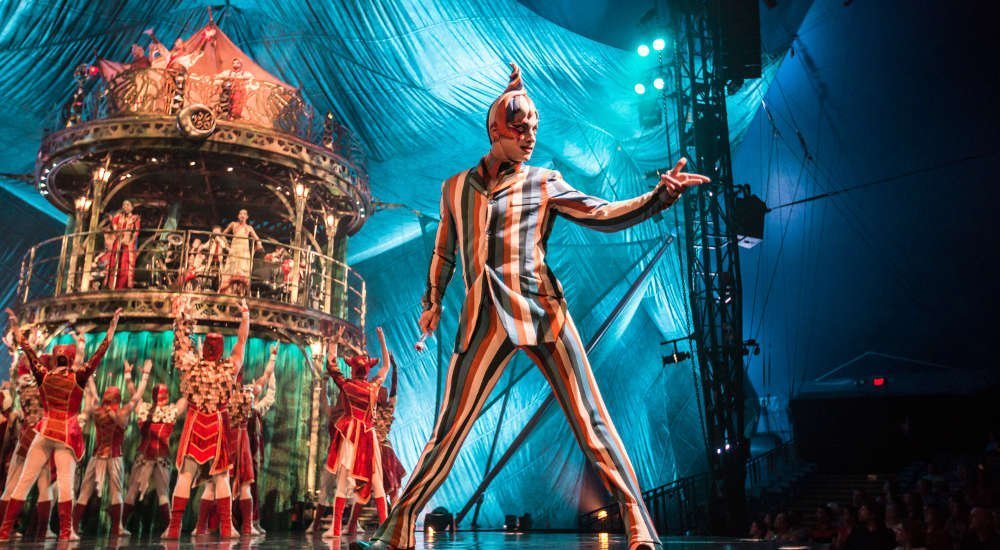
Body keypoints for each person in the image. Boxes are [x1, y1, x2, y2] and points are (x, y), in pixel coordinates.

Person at [356, 63, 708, 550]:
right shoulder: (455, 187)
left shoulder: (544, 181)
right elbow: (444, 251)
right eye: (521, 127)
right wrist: (432, 301)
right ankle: (398, 528)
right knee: (447, 430)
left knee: (591, 419)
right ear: (496, 130)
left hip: (543, 312)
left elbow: (601, 213)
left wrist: (658, 197)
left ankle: (639, 527)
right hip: (483, 318)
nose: (530, 136)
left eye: (534, 128)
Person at [0, 308, 122, 541]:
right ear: (71, 357)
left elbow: (27, 347)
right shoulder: (78, 376)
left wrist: (15, 324)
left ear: (55, 357)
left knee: (24, 482)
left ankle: (4, 530)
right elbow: (99, 353)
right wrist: (112, 326)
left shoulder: (43, 374)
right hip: (65, 435)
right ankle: (66, 532)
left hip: (44, 432)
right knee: (65, 484)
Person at [161, 298, 249, 539]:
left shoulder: (192, 366)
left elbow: (181, 341)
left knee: (185, 475)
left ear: (204, 349)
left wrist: (182, 314)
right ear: (221, 349)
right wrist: (245, 316)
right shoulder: (229, 368)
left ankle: (174, 527)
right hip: (217, 424)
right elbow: (241, 342)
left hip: (195, 422)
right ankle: (226, 527)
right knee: (221, 476)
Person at [193, 344, 276, 536]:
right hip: (237, 442)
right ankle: (242, 526)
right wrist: (272, 357)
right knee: (241, 484)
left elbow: (202, 377)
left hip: (222, 440)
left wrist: (200, 352)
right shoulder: (247, 393)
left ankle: (203, 527)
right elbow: (265, 376)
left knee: (212, 484)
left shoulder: (218, 391)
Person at [322, 326, 392, 544]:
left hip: (352, 434)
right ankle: (385, 529)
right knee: (377, 482)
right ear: (367, 370)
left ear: (353, 369)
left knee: (343, 481)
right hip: (368, 435)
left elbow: (331, 365)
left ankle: (336, 529)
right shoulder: (373, 387)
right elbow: (386, 366)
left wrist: (334, 342)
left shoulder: (348, 385)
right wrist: (382, 339)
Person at [73, 360, 151, 537]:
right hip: (112, 456)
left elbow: (92, 391)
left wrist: (89, 373)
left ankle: (75, 527)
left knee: (87, 491)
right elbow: (137, 396)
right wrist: (144, 376)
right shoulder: (121, 412)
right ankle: (115, 528)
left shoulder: (98, 409)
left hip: (99, 456)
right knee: (114, 491)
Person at [122, 380, 187, 535]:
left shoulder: (144, 409)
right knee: (161, 493)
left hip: (148, 457)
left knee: (135, 491)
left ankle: (119, 525)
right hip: (156, 457)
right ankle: (170, 529)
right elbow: (184, 399)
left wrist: (129, 377)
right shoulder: (169, 411)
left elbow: (134, 394)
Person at [219, 209, 263, 296]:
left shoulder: (249, 228)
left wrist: (258, 245)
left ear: (247, 217)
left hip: (244, 252)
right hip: (234, 250)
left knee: (243, 270)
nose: (242, 215)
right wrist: (227, 245)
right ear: (238, 216)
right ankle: (229, 292)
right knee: (231, 269)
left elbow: (257, 239)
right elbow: (223, 235)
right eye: (240, 214)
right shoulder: (233, 224)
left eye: (244, 214)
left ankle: (242, 293)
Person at [105, 200, 141, 289]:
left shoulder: (135, 218)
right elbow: (114, 224)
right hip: (118, 242)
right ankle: (112, 285)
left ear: (132, 207)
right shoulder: (118, 216)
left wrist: (131, 240)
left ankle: (123, 285)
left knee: (125, 264)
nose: (125, 207)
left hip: (128, 244)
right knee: (114, 262)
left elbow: (136, 232)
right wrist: (117, 230)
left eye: (128, 205)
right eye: (124, 205)